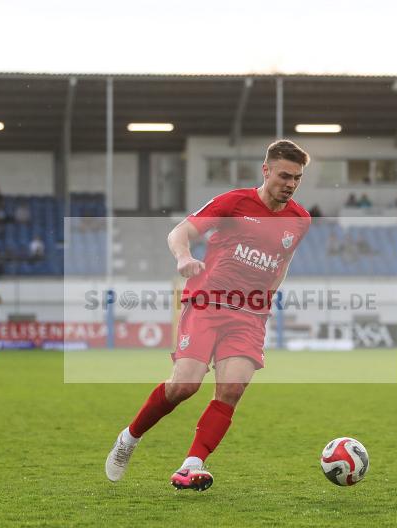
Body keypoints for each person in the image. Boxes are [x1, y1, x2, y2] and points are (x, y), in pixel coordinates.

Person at [105, 139, 312, 492]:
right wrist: (184, 257)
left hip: (249, 314)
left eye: (297, 178)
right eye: (284, 176)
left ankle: (191, 465)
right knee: (185, 384)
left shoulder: (300, 220)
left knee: (232, 389)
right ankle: (129, 437)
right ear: (265, 171)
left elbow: (283, 262)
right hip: (208, 302)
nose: (290, 184)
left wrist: (268, 298)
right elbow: (180, 231)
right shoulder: (234, 202)